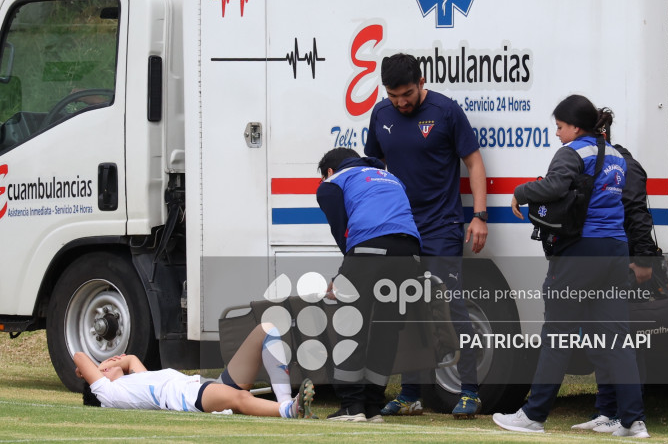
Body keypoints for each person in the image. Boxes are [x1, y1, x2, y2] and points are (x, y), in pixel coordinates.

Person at [493, 94, 649, 438]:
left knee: (557, 336)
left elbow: (554, 186)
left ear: (576, 127)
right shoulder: (618, 156)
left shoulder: (574, 151)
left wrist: (520, 192)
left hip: (581, 251)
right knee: (618, 340)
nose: (558, 134)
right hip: (615, 251)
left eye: (560, 127)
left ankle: (533, 415)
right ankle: (633, 421)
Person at [364, 53, 488, 419]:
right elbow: (373, 169)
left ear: (421, 82)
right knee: (407, 307)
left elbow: (474, 162)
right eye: (392, 95)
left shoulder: (446, 111)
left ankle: (469, 390)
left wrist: (479, 216)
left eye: (406, 94)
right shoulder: (380, 115)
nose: (400, 102)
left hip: (442, 226)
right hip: (401, 229)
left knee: (449, 306)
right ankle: (410, 394)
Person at [572, 107, 662, 434]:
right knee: (599, 339)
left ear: (601, 134)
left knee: (619, 340)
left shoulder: (625, 165)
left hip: (624, 261)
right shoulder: (593, 162)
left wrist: (643, 261)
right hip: (599, 260)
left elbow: (639, 216)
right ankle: (607, 409)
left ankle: (628, 414)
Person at [316, 147, 421, 423]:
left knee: (350, 326)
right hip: (410, 254)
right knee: (387, 331)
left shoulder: (332, 183)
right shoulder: (389, 177)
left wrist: (343, 275)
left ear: (329, 171)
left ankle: (352, 407)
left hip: (369, 251)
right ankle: (374, 407)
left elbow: (343, 232)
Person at [75, 323, 315, 418]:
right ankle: (288, 411)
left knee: (266, 329)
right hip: (189, 397)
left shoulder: (134, 383)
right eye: (105, 364)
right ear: (97, 379)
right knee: (241, 398)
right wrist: (95, 368)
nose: (113, 359)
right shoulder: (109, 394)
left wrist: (115, 364)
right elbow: (79, 356)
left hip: (207, 385)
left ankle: (288, 402)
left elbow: (131, 360)